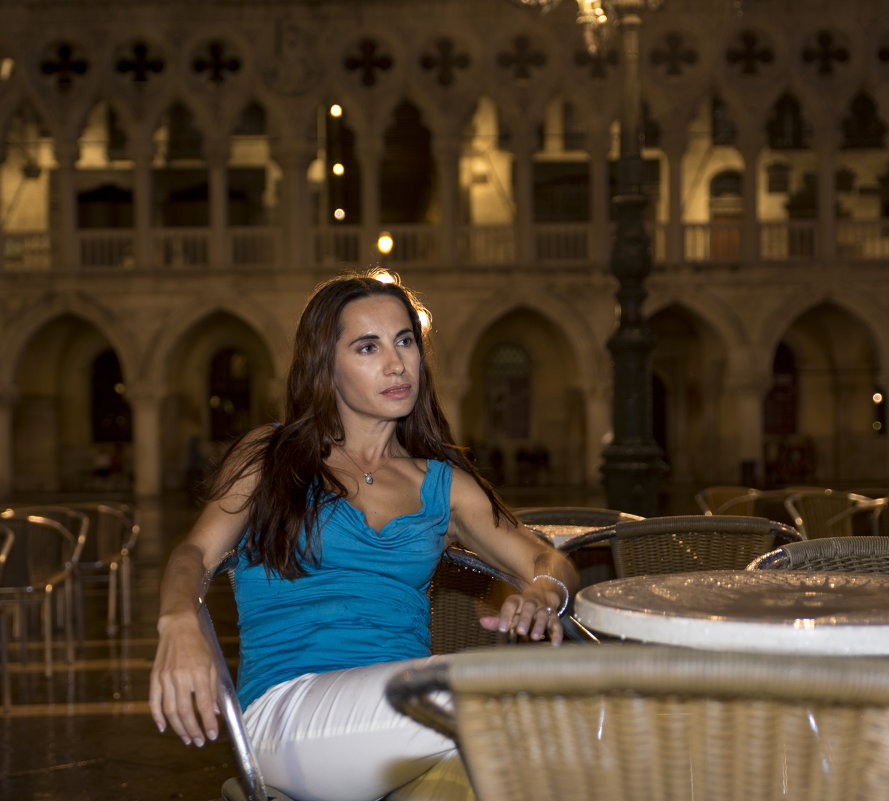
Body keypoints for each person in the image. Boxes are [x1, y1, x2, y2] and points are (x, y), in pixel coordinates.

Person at [149, 269, 579, 801]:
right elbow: (193, 552)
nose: (396, 364)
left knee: (525, 762)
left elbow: (546, 557)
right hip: (289, 715)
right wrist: (177, 622)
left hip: (408, 727)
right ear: (324, 366)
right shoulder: (271, 456)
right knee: (517, 691)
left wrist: (544, 590)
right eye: (367, 347)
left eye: (404, 342)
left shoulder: (441, 484)